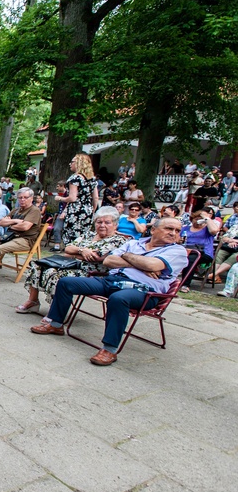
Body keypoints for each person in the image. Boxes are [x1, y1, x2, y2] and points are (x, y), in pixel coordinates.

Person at [30, 218, 188, 366]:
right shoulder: (134, 243)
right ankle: (56, 324)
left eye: (177, 230)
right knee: (66, 282)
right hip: (112, 281)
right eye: (168, 228)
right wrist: (139, 263)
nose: (173, 233)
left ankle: (109, 349)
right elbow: (108, 261)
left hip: (144, 291)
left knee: (119, 299)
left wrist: (131, 260)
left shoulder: (177, 251)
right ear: (153, 230)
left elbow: (152, 265)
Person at [15, 206, 127, 314]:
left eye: (107, 222)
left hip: (93, 274)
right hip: (71, 265)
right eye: (99, 222)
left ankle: (55, 311)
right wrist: (82, 251)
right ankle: (33, 301)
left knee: (54, 274)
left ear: (115, 225)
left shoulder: (117, 240)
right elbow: (68, 248)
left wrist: (75, 254)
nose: (102, 225)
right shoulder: (89, 234)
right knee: (37, 265)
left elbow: (95, 257)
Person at [0, 188, 42, 277]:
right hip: (9, 236)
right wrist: (15, 221)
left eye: (25, 197)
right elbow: (1, 222)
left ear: (31, 198)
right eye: (20, 197)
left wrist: (9, 224)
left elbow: (25, 227)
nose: (22, 200)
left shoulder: (34, 210)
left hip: (25, 239)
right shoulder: (16, 210)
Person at [55, 153, 98, 247]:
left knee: (72, 239)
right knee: (83, 238)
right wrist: (92, 210)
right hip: (87, 211)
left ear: (79, 163)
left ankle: (71, 258)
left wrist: (60, 198)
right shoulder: (92, 179)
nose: (70, 164)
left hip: (75, 212)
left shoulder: (75, 178)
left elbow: (72, 198)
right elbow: (95, 198)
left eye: (72, 162)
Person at [179, 208, 220, 292]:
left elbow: (214, 230)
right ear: (192, 219)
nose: (198, 221)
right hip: (185, 250)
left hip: (203, 253)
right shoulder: (185, 228)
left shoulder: (207, 229)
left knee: (191, 259)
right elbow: (176, 239)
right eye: (196, 219)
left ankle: (185, 284)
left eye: (200, 219)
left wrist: (207, 218)